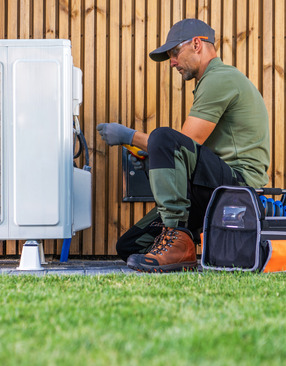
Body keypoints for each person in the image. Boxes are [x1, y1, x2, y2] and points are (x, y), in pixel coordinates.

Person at [96, 18, 270, 272]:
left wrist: (129, 136)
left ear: (197, 44)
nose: (173, 62)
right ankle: (179, 242)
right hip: (212, 186)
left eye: (175, 52)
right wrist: (150, 157)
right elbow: (189, 155)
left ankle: (178, 237)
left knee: (164, 137)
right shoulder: (211, 81)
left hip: (238, 187)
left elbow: (184, 143)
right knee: (130, 246)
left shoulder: (219, 79)